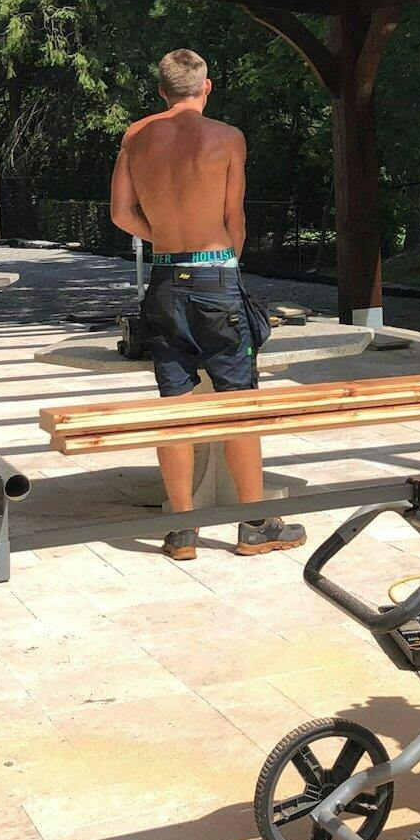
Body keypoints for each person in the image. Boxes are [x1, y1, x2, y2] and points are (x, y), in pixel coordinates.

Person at [110, 49, 303, 561]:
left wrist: (163, 238)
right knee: (238, 404)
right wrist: (225, 260)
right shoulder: (228, 137)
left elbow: (120, 212)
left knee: (174, 407)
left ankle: (182, 531)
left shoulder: (135, 136)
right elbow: (234, 216)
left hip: (165, 278)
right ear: (207, 87)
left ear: (162, 92)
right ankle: (255, 525)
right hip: (216, 276)